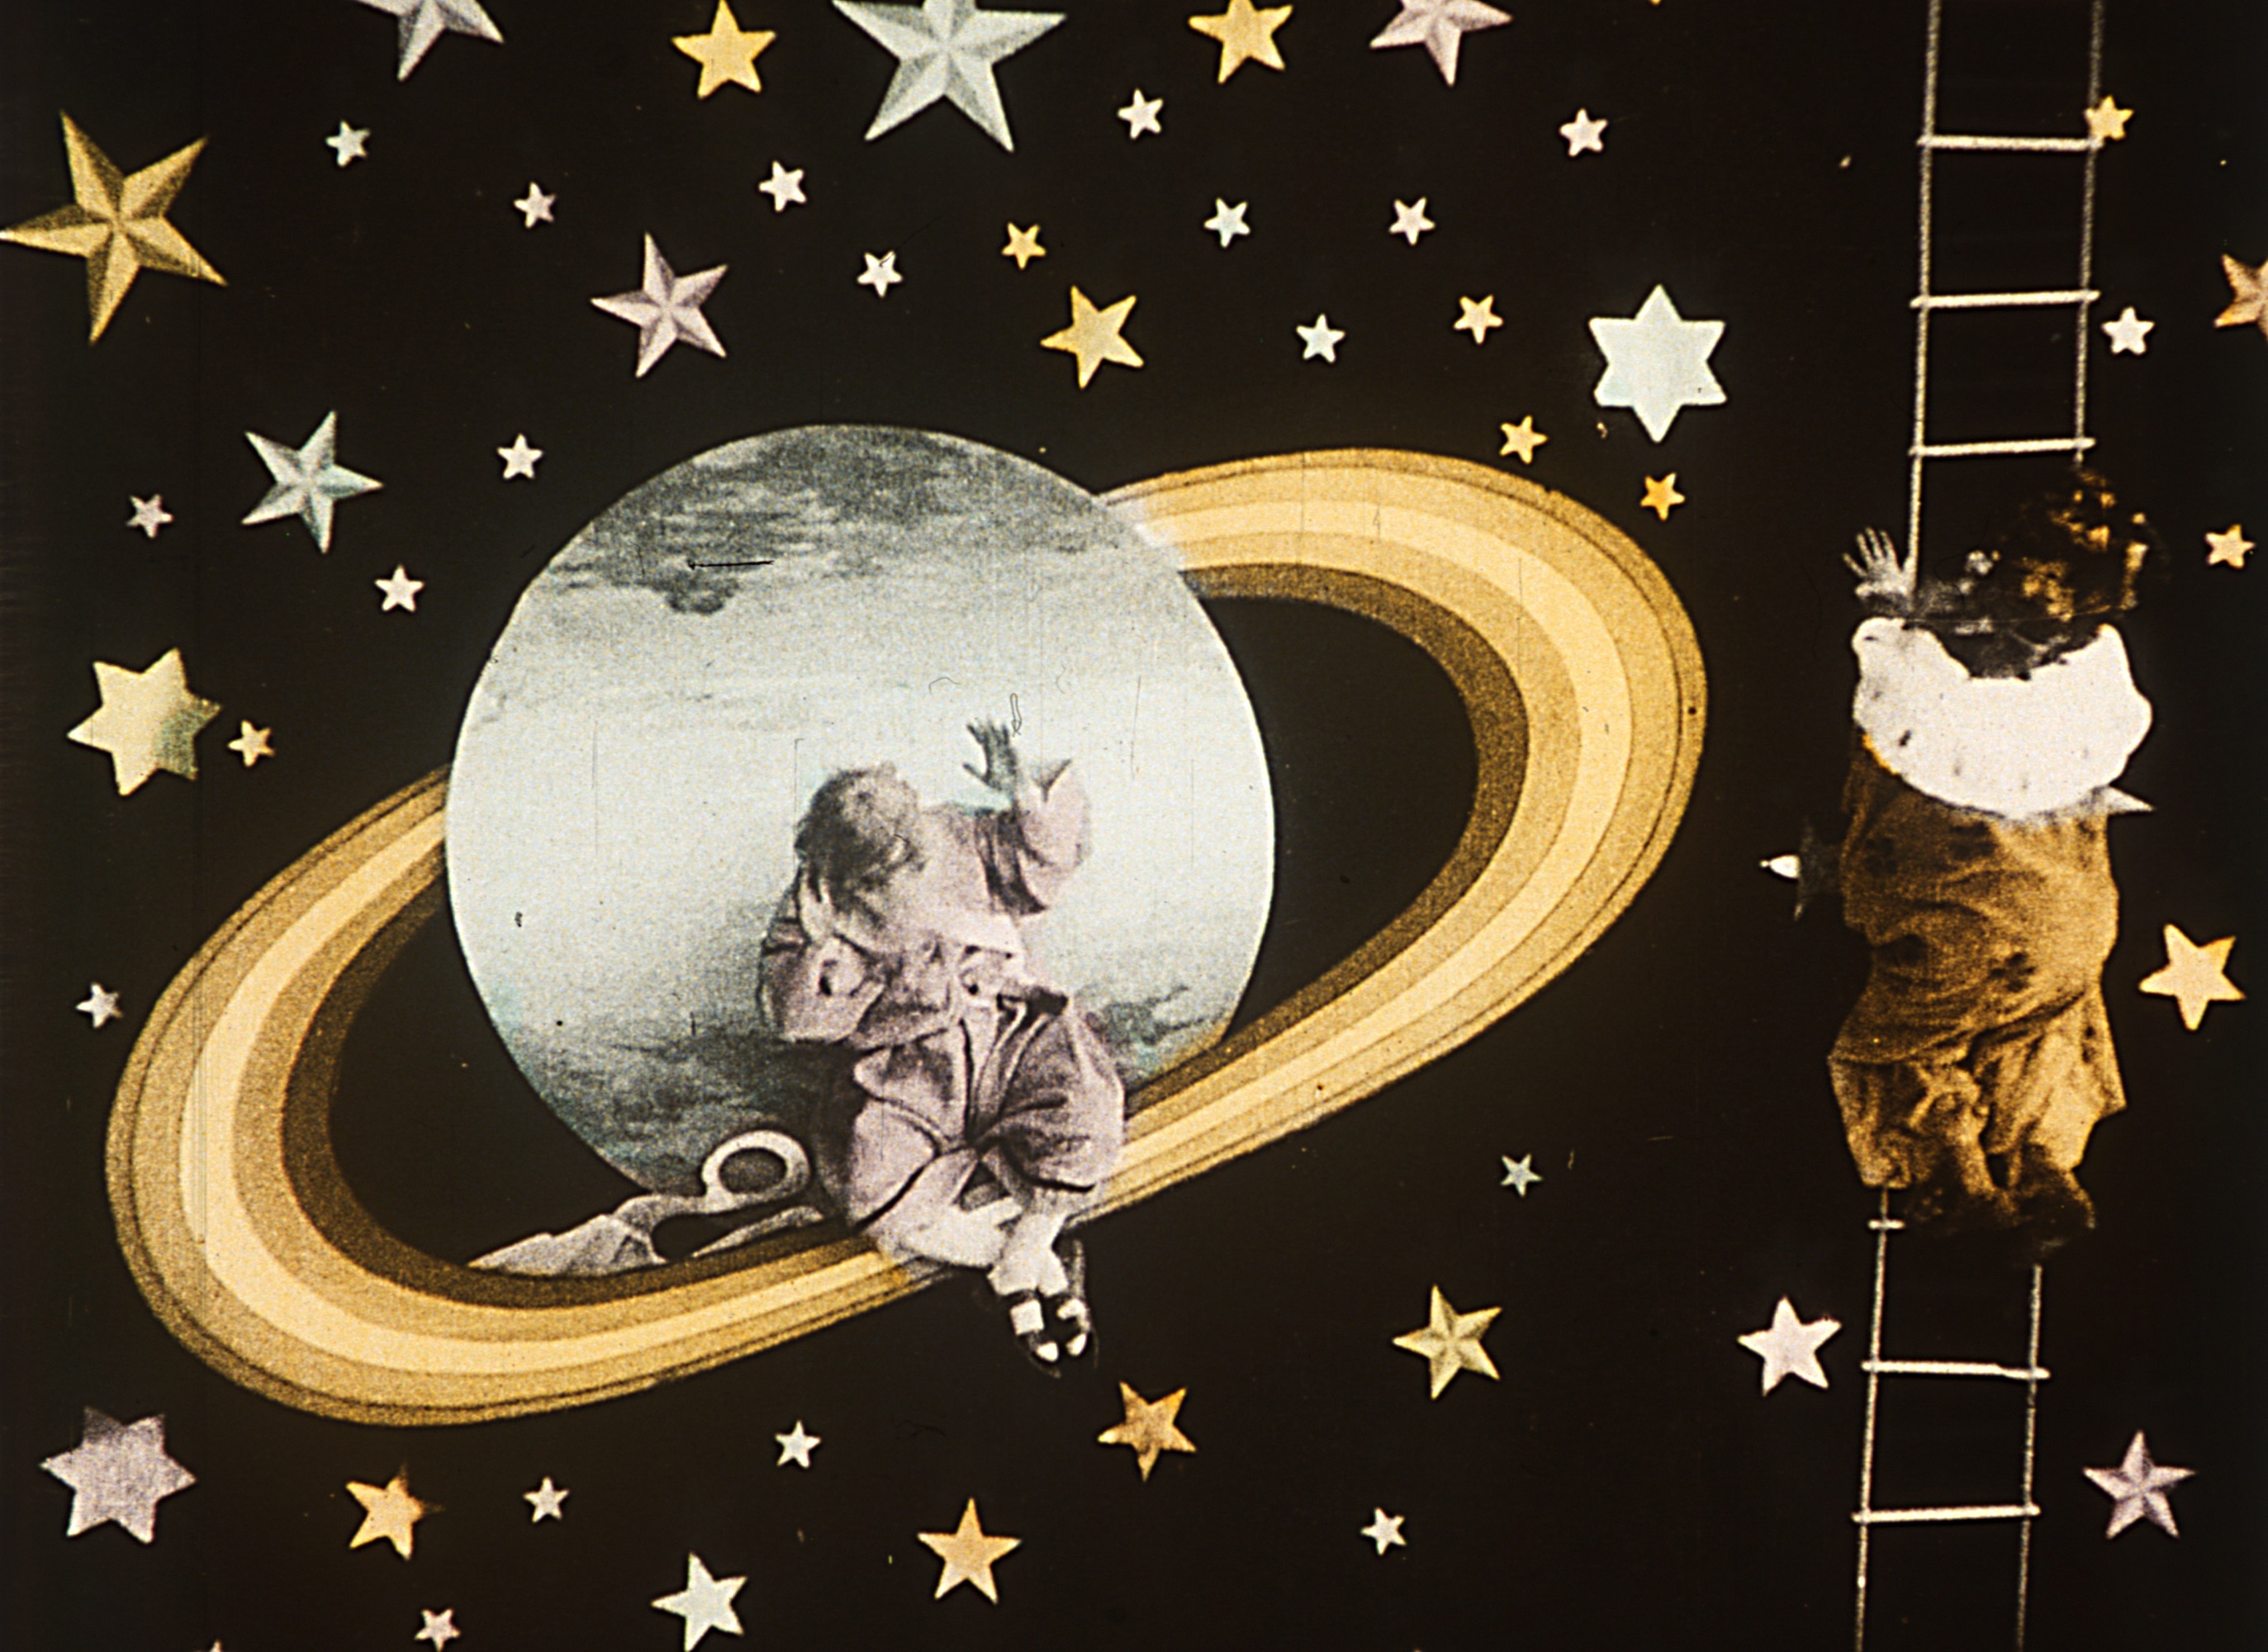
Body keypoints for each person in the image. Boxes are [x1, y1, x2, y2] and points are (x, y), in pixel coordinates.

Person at [1828, 471, 2156, 1254]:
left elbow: (1908, 689)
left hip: (1968, 918)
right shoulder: (2096, 677)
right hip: (2073, 927)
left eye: (1993, 570)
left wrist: (1886, 609)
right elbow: (1991, 636)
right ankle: (2044, 1159)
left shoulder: (1937, 693)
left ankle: (1954, 1169)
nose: (1974, 570)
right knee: (2048, 1014)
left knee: (1911, 1032)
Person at [760, 719, 1124, 1368]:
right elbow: (792, 1016)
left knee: (1085, 1099)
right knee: (871, 1187)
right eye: (880, 877)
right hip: (908, 1069)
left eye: (909, 860)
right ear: (845, 875)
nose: (903, 880)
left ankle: (1030, 1244)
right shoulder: (815, 905)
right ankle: (1027, 1265)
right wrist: (826, 953)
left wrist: (1022, 797)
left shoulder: (950, 834)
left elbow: (1038, 867)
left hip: (1002, 1028)